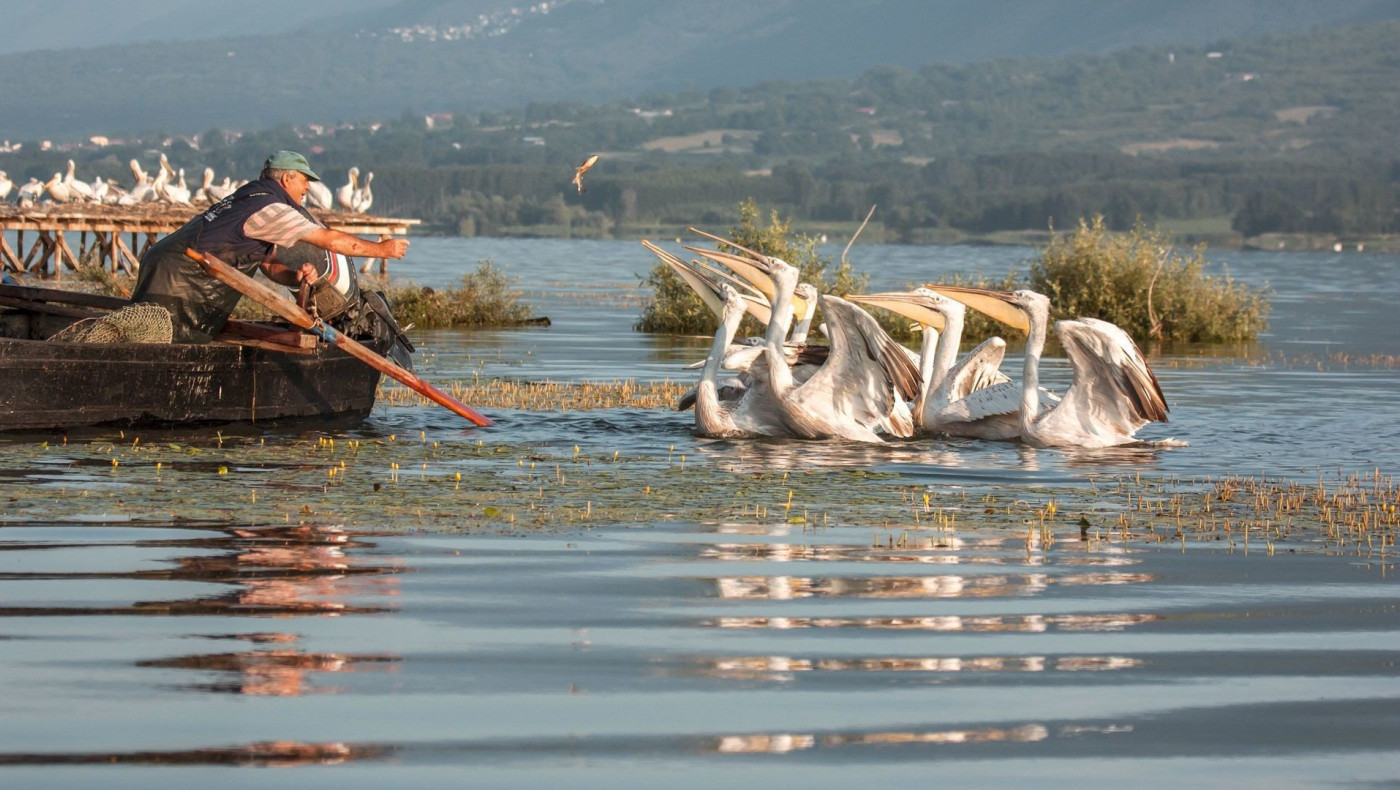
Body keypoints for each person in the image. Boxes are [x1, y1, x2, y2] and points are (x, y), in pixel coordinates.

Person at [130, 150, 410, 343]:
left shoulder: (248, 196)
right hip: (179, 279)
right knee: (172, 338)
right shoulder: (273, 209)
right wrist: (382, 249)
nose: (308, 188)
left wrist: (294, 277)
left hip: (163, 264)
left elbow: (267, 264)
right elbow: (331, 240)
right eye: (304, 179)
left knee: (150, 332)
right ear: (287, 178)